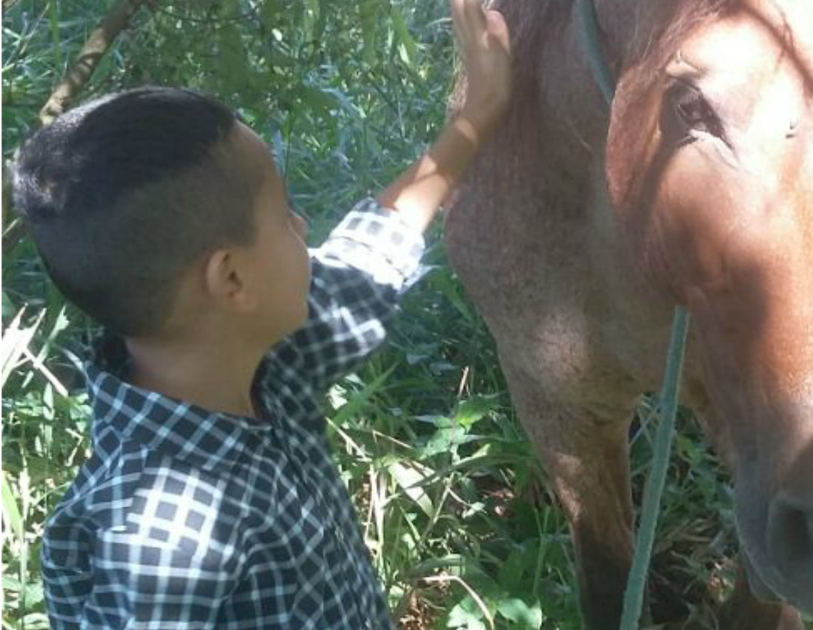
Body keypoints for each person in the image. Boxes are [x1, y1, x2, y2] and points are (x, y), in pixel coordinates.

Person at [12, 0, 511, 627]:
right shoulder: (165, 536)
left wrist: (478, 115)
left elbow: (364, 260)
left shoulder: (253, 360)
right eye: (284, 216)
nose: (304, 227)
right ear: (231, 278)